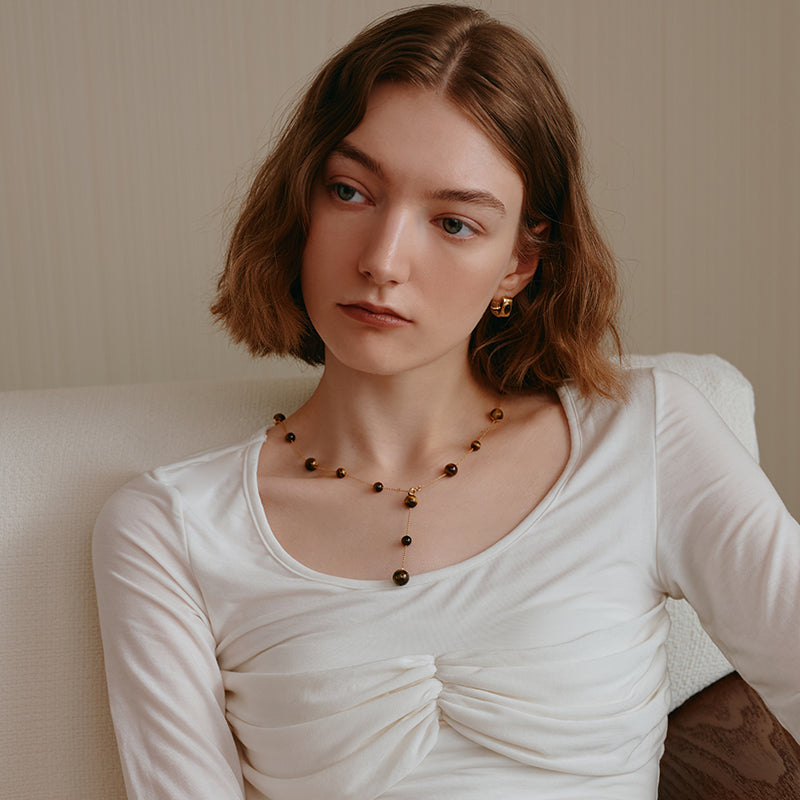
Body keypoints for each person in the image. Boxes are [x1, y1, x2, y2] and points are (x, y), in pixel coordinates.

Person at [92, 5, 800, 799]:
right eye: (351, 192)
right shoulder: (170, 528)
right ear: (303, 201)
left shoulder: (647, 434)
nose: (383, 261)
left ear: (519, 264)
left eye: (455, 222)